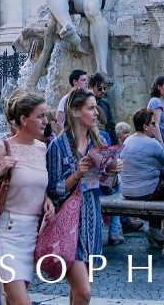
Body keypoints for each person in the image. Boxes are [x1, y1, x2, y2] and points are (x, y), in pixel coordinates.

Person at [45, 89, 114, 305]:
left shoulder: (99, 141)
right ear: (75, 111)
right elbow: (52, 189)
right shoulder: (57, 146)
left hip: (91, 219)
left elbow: (106, 188)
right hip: (67, 223)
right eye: (91, 108)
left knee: (78, 292)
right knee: (84, 292)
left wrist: (112, 172)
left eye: (96, 108)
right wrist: (76, 174)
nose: (96, 113)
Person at [0, 94, 48, 305]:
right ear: (24, 119)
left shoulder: (42, 148)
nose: (46, 121)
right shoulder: (3, 147)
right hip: (7, 232)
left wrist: (47, 198)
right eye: (40, 116)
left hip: (32, 232)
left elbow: (36, 183)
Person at [118, 108, 164, 250]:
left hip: (126, 191)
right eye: (153, 124)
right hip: (145, 193)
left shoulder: (127, 141)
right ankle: (157, 229)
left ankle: (154, 230)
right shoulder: (152, 143)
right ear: (145, 126)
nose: (155, 127)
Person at [146, 76, 164, 144]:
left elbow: (162, 124)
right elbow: (155, 125)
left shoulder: (159, 102)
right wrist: (161, 145)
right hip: (163, 142)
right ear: (159, 87)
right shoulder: (156, 102)